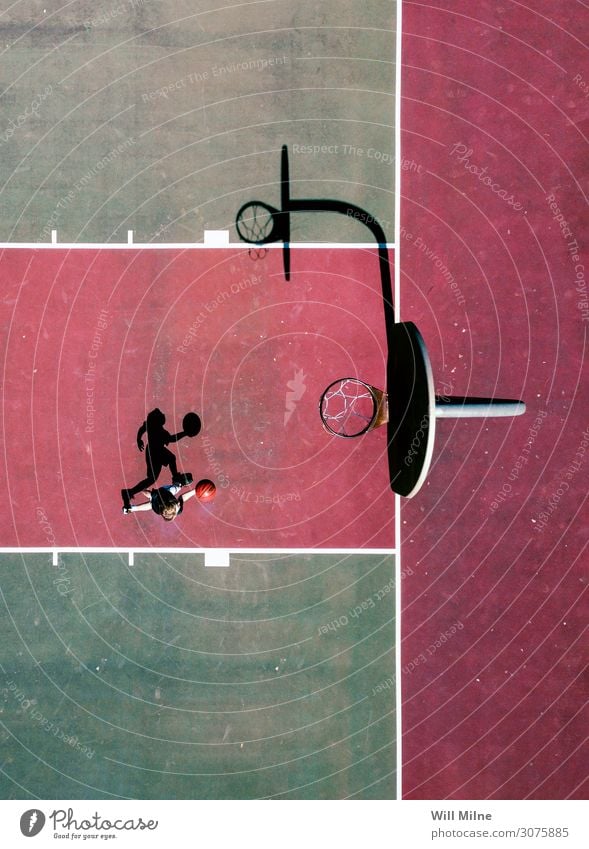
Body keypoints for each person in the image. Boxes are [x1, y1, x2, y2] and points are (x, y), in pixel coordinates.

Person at [121, 408, 193, 511]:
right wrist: (185, 433)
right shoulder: (161, 431)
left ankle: (129, 492)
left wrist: (138, 439)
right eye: (161, 415)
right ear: (159, 420)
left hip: (150, 451)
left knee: (152, 478)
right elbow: (172, 439)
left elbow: (142, 430)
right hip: (157, 452)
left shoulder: (149, 425)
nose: (163, 415)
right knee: (171, 459)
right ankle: (175, 477)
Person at [122, 482, 196, 521]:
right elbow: (182, 497)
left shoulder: (158, 502)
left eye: (177, 503)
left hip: (161, 495)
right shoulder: (178, 509)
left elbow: (150, 495)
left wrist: (143, 489)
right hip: (164, 493)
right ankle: (132, 508)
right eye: (177, 504)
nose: (178, 503)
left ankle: (132, 508)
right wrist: (195, 491)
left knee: (151, 502)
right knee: (179, 486)